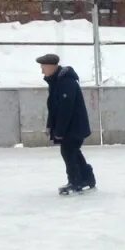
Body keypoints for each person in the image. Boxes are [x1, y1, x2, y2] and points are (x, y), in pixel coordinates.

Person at [39, 52, 95, 195]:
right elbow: (53, 107)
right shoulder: (56, 81)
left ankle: (75, 181)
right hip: (70, 126)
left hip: (74, 126)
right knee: (73, 151)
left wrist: (60, 131)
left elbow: (66, 108)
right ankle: (87, 178)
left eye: (43, 66)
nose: (41, 70)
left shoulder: (66, 81)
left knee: (68, 151)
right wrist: (50, 125)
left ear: (52, 66)